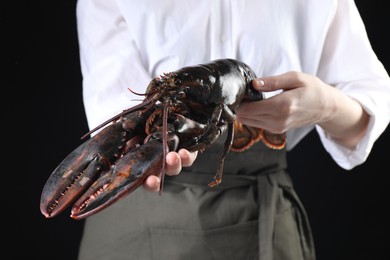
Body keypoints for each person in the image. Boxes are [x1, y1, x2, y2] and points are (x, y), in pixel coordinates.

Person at [75, 0, 390, 259]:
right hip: (134, 216)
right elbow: (118, 113)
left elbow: (364, 116)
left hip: (261, 217)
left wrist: (327, 107)